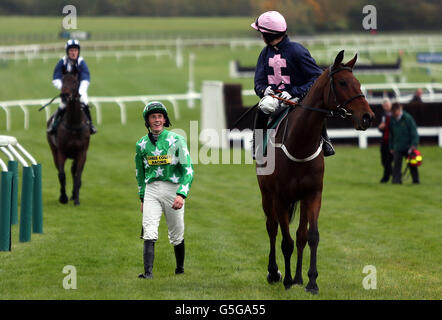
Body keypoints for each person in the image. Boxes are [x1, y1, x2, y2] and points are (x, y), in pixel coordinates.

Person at [251, 11, 334, 159]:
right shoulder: (264, 54)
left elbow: (317, 77)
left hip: (299, 98)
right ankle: (257, 145)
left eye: (261, 32)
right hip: (275, 99)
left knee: (317, 104)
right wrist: (265, 90)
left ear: (269, 35)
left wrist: (295, 92)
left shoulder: (297, 51)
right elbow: (258, 82)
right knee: (264, 106)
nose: (260, 35)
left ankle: (326, 141)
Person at [135, 101, 194, 279]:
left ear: (165, 119)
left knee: (177, 233)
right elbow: (140, 173)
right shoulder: (141, 145)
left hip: (173, 190)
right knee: (149, 229)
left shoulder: (177, 140)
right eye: (153, 117)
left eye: (160, 116)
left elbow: (188, 170)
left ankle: (180, 269)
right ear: (147, 120)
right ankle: (148, 273)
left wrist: (181, 194)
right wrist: (142, 197)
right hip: (151, 190)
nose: (157, 120)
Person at [48, 39, 97, 134]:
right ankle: (54, 125)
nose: (73, 53)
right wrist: (64, 89)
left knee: (85, 102)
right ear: (67, 52)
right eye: (71, 51)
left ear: (78, 51)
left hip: (79, 90)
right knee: (62, 105)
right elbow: (56, 78)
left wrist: (81, 91)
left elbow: (85, 78)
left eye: (75, 50)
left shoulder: (81, 62)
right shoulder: (62, 62)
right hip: (66, 91)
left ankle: (90, 125)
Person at [389, 102, 420, 184]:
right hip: (397, 147)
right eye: (392, 112)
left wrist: (414, 144)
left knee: (412, 164)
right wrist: (391, 147)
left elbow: (414, 132)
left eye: (395, 112)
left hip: (408, 147)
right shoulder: (392, 119)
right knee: (396, 165)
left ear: (399, 110)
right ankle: (396, 181)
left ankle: (416, 180)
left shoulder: (408, 118)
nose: (394, 114)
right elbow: (391, 134)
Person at [378, 98, 393, 183]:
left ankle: (385, 179)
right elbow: (381, 128)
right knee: (384, 161)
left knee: (388, 161)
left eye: (387, 105)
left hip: (392, 141)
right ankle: (394, 174)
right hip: (384, 141)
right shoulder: (383, 114)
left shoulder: (393, 115)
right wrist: (380, 128)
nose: (386, 107)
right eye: (384, 105)